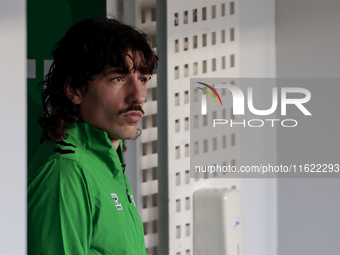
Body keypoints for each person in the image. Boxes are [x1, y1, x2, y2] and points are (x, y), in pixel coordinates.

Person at [27, 18, 159, 255]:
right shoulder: (66, 172)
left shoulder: (105, 160)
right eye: (118, 78)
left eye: (142, 78)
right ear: (75, 89)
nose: (138, 95)